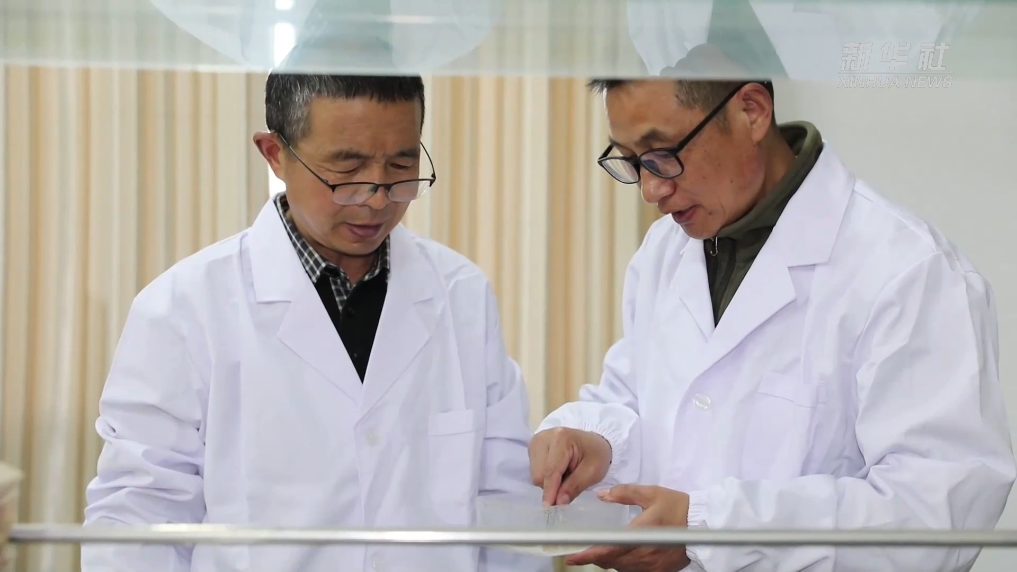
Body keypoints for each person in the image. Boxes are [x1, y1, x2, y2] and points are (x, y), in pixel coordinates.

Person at [528, 46, 1016, 572]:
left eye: (662, 153)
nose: (651, 189)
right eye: (631, 161)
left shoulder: (908, 271)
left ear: (752, 111)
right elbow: (638, 398)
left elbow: (936, 512)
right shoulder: (665, 251)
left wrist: (715, 530)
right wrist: (597, 441)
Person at [82, 73, 550, 572]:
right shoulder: (183, 307)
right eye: (346, 168)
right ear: (275, 154)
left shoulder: (461, 293)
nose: (377, 198)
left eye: (401, 165)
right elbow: (140, 517)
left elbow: (504, 499)